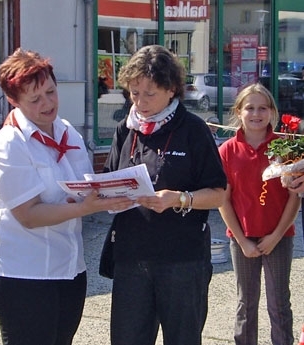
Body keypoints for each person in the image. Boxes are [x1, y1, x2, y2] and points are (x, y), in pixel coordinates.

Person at [0, 48, 133, 345]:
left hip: (69, 269)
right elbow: (28, 215)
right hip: (23, 273)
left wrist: (115, 191)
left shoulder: (68, 132)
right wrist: (85, 208)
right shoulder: (9, 144)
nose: (48, 103)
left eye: (51, 92)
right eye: (35, 99)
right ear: (14, 100)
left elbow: (85, 187)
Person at [101, 45, 227, 344]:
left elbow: (219, 194)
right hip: (131, 258)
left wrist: (179, 198)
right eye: (134, 93)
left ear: (171, 90)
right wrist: (106, 195)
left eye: (150, 93)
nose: (140, 102)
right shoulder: (125, 129)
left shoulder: (194, 130)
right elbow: (107, 180)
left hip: (181, 260)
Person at [218, 83, 298, 345]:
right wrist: (241, 240)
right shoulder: (227, 151)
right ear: (239, 112)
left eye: (262, 108)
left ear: (272, 112)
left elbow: (294, 197)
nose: (256, 114)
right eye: (250, 108)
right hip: (242, 239)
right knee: (246, 303)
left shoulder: (285, 148)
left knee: (279, 303)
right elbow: (223, 200)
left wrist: (276, 235)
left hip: (278, 237)